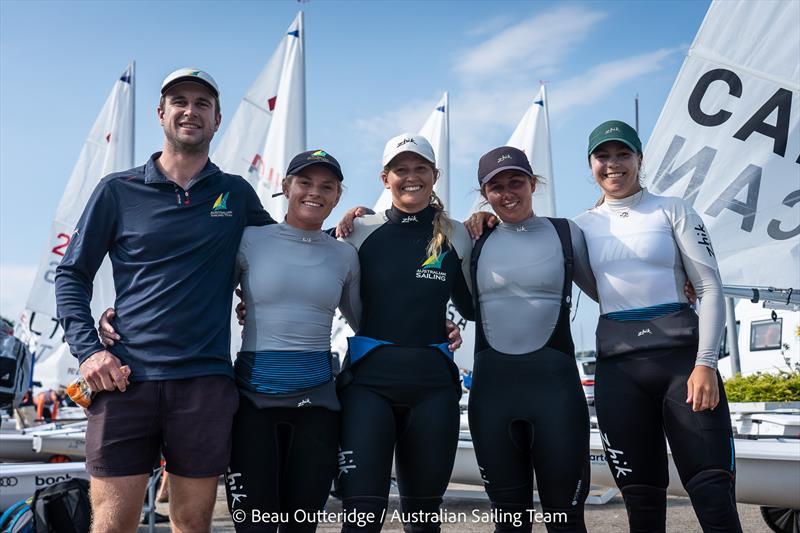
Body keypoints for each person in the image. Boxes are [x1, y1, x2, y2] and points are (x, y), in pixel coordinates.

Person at [55, 67, 275, 533]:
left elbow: (288, 253)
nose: (190, 111)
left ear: (217, 120)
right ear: (161, 114)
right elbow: (72, 273)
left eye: (202, 104)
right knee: (113, 525)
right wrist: (89, 349)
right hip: (123, 381)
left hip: (205, 382)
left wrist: (354, 227)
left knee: (192, 524)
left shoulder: (235, 193)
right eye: (180, 101)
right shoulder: (117, 190)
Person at [574, 120, 742, 532]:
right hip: (619, 374)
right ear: (591, 164)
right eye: (603, 156)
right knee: (643, 505)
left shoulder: (673, 208)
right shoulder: (579, 227)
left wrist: (706, 364)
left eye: (623, 154)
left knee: (713, 494)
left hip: (683, 368)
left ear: (639, 159)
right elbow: (602, 290)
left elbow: (709, 287)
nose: (613, 164)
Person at [335, 133, 474, 532]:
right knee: (361, 519)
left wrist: (488, 222)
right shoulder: (357, 231)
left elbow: (472, 309)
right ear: (385, 178)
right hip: (368, 387)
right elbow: (304, 269)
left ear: (435, 175)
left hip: (433, 388)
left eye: (420, 168)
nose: (410, 177)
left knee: (424, 521)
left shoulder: (459, 234)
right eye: (401, 169)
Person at [225, 150, 362, 532]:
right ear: (286, 187)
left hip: (316, 407)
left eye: (327, 187)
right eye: (304, 182)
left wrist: (438, 329)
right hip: (252, 403)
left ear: (338, 197)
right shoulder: (250, 240)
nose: (314, 193)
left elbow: (368, 324)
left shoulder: (344, 255)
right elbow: (203, 293)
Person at [465, 147, 595, 532]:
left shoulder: (565, 232)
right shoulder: (474, 237)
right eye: (496, 186)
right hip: (492, 396)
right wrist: (356, 217)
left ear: (533, 183)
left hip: (555, 393)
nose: (508, 193)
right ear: (484, 193)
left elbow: (608, 290)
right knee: (508, 523)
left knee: (566, 521)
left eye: (516, 182)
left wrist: (679, 282)